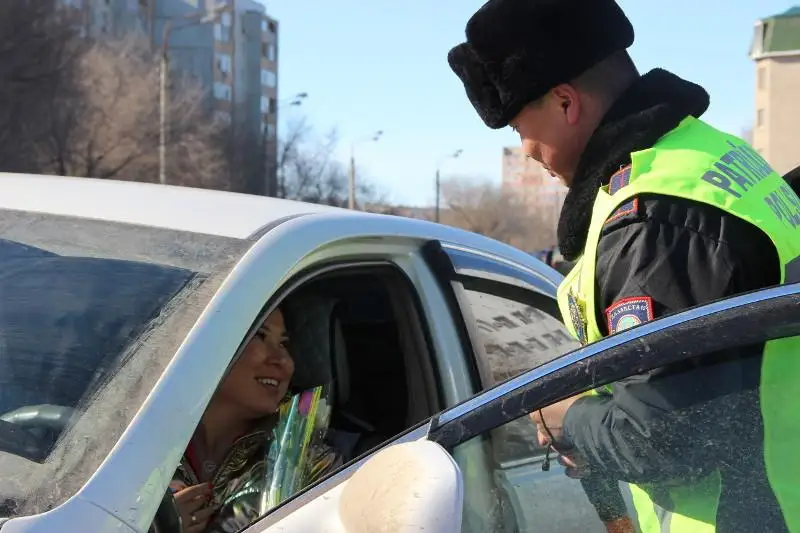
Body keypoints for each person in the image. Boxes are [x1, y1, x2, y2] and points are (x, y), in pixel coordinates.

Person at [448, 1, 800, 532]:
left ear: (566, 102)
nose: (526, 151)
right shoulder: (711, 159)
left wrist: (566, 417)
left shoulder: (654, 219)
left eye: (521, 128)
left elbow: (668, 436)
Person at [168, 308, 341, 533]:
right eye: (260, 336)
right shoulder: (136, 444)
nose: (283, 361)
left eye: (284, 344)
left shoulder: (310, 466)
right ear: (207, 347)